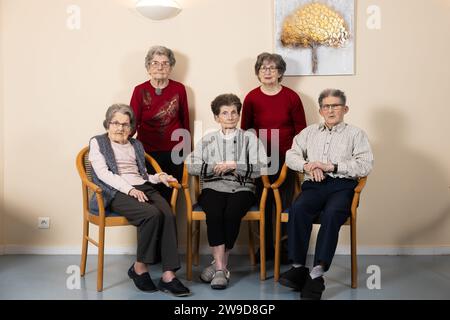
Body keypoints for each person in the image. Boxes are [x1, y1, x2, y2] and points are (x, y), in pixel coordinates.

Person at [279, 89, 374, 300]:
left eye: (336, 106)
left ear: (345, 109)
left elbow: (365, 165)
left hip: (343, 186)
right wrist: (307, 165)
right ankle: (297, 267)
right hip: (314, 184)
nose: (330, 110)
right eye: (326, 106)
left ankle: (316, 273)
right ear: (320, 110)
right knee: (299, 208)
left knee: (332, 214)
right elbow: (291, 156)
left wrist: (331, 165)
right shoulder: (308, 133)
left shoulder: (356, 134)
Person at [88, 104, 191, 297]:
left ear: (131, 127)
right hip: (115, 191)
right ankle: (139, 267)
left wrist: (160, 177)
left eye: (125, 124)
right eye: (115, 123)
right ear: (107, 124)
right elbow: (103, 174)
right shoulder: (98, 142)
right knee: (151, 214)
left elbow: (142, 175)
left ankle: (168, 275)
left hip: (142, 187)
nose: (120, 128)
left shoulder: (136, 144)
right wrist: (130, 190)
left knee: (168, 213)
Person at [186, 94, 267, 290]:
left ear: (238, 115)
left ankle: (217, 266)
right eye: (224, 113)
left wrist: (234, 165)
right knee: (214, 213)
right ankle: (222, 268)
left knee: (231, 213)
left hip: (242, 188)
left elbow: (262, 167)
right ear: (217, 117)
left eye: (233, 112)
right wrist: (215, 166)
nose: (230, 116)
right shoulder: (208, 139)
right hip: (213, 187)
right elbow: (191, 165)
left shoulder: (250, 138)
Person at [241, 52, 307, 262]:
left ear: (280, 73)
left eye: (272, 68)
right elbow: (245, 130)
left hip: (286, 159)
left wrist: (294, 158)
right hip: (260, 159)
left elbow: (301, 132)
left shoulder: (291, 97)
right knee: (264, 202)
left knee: (285, 204)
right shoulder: (251, 97)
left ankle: (285, 247)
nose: (267, 72)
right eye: (263, 68)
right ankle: (266, 248)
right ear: (258, 73)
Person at [130, 45, 190, 203]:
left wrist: (187, 150)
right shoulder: (139, 90)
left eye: (165, 63)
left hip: (175, 152)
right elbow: (132, 123)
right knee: (150, 196)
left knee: (171, 196)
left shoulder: (179, 89)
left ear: (170, 67)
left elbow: (185, 120)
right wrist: (123, 145)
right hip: (147, 153)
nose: (160, 67)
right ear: (148, 67)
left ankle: (170, 227)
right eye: (155, 63)